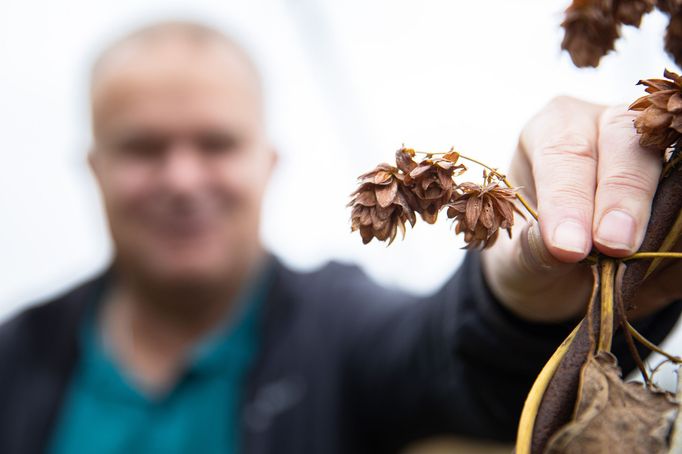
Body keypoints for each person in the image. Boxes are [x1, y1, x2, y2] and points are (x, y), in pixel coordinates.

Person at [0, 21, 680, 454]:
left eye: (216, 144)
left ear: (266, 163)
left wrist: (522, 296)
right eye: (143, 148)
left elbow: (453, 361)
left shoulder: (341, 327)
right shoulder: (17, 355)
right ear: (95, 169)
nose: (182, 178)